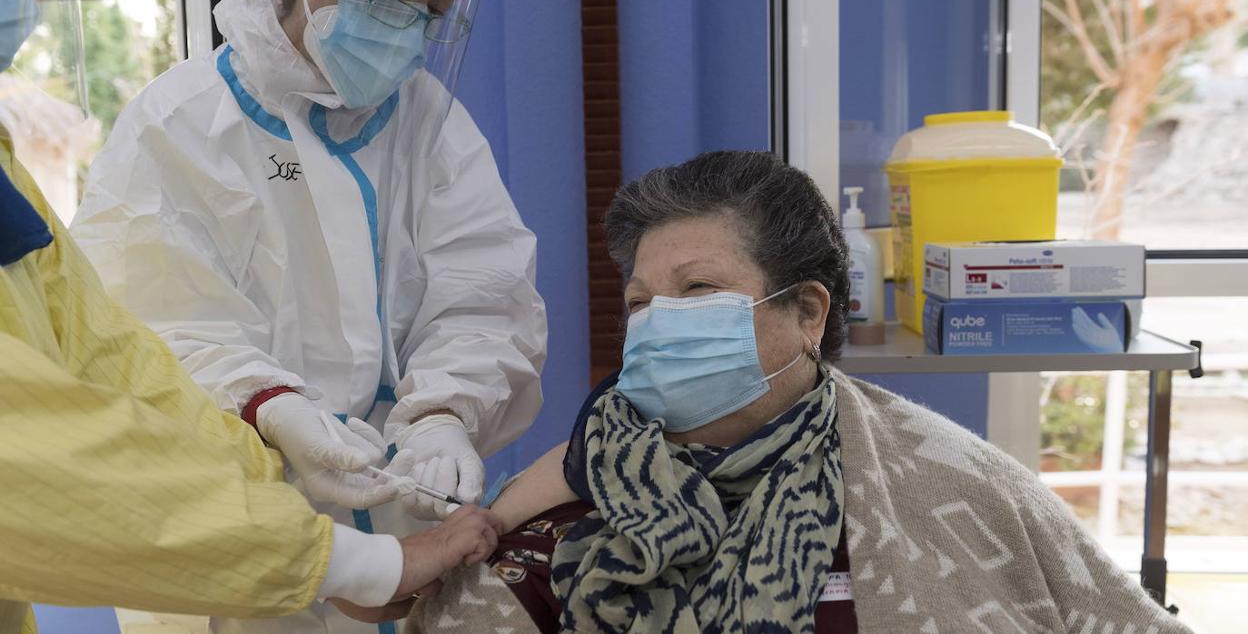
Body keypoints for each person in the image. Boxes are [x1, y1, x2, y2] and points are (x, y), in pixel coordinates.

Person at [402, 151, 1192, 634]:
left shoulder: (951, 485)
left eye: (698, 289)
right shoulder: (584, 488)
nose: (655, 324)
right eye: (641, 302)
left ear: (806, 313)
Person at [0, 0, 502, 634]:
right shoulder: (183, 121)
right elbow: (140, 339)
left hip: (403, 505)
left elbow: (481, 290)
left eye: (431, 12)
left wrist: (442, 414)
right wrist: (269, 411)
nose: (403, 27)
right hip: (231, 525)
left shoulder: (431, 124)